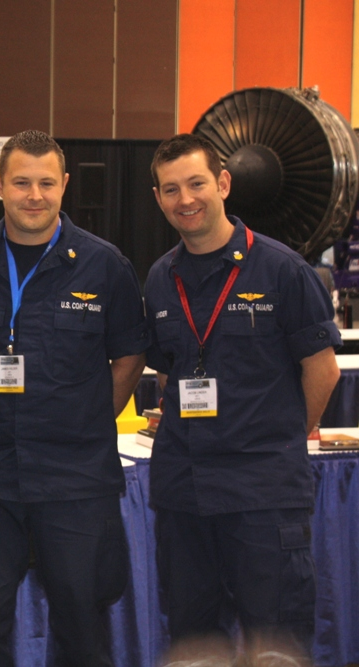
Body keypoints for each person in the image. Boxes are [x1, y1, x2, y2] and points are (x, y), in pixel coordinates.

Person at [0, 130, 148, 666]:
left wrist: (86, 416)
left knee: (81, 618)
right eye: (22, 182)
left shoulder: (105, 266)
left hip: (75, 478)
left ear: (65, 186)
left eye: (47, 183)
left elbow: (127, 358)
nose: (35, 195)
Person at [144, 134, 341, 655]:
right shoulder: (161, 279)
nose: (185, 199)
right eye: (170, 189)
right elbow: (168, 373)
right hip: (184, 493)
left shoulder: (283, 270)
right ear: (159, 198)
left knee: (274, 640)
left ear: (223, 183)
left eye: (196, 184)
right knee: (192, 640)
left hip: (262, 496)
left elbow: (323, 371)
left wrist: (281, 439)